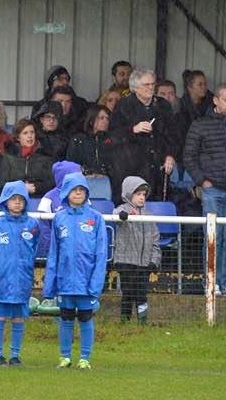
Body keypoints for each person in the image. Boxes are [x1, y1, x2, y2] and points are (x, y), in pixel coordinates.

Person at [42, 171, 109, 370]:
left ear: (87, 192)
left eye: (81, 189)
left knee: (86, 318)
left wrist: (96, 283)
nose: (78, 193)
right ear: (66, 192)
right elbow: (54, 253)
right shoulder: (59, 218)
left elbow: (101, 254)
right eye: (74, 189)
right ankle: (65, 356)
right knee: (66, 318)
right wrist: (50, 284)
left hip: (86, 280)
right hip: (65, 280)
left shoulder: (96, 218)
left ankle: (85, 358)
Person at [183, 83, 226, 296]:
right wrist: (202, 181)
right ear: (215, 100)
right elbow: (188, 156)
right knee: (213, 237)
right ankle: (211, 282)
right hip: (212, 189)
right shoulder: (200, 125)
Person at [0, 181, 40, 367]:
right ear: (5, 200)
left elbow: (34, 249)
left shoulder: (32, 224)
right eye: (13, 199)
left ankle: (15, 355)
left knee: (19, 318)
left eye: (21, 199)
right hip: (1, 279)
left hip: (22, 279)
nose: (17, 202)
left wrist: (26, 268)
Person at [111, 67, 178, 199]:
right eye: (146, 85)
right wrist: (133, 129)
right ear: (134, 87)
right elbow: (113, 135)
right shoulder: (124, 106)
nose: (151, 88)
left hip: (158, 167)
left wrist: (171, 155)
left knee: (157, 203)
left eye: (153, 84)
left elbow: (173, 135)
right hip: (131, 167)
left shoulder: (163, 105)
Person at [113, 176, 160, 324]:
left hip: (144, 264)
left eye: (143, 195)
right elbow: (116, 215)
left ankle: (143, 322)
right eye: (138, 194)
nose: (141, 198)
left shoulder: (149, 216)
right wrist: (122, 216)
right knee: (127, 294)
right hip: (126, 262)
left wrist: (154, 261)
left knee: (142, 295)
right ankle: (125, 321)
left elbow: (155, 241)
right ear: (128, 194)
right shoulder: (122, 210)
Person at [66, 104, 123, 192]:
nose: (105, 121)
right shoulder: (78, 140)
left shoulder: (112, 140)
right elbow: (71, 164)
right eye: (101, 118)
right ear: (91, 120)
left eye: (107, 119)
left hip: (107, 184)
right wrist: (87, 173)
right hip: (82, 184)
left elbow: (117, 165)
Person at [0, 118, 55, 199]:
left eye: (32, 132)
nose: (30, 136)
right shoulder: (9, 157)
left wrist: (36, 187)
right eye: (25, 133)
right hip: (14, 199)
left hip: (38, 198)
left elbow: (51, 183)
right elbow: (2, 184)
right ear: (18, 137)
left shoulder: (45, 156)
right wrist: (21, 187)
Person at [175, 69, 213, 165]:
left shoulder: (213, 104)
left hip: (207, 153)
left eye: (205, 84)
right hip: (185, 154)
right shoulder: (180, 107)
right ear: (190, 87)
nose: (204, 87)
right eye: (200, 84)